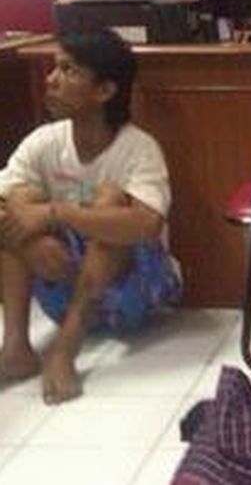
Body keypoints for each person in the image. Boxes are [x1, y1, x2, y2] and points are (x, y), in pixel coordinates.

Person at [0, 28, 181, 404]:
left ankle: (65, 349)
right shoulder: (44, 142)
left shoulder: (138, 147)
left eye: (68, 70)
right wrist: (31, 242)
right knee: (17, 202)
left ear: (104, 91)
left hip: (136, 292)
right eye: (55, 68)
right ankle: (16, 348)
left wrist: (56, 212)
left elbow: (148, 224)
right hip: (64, 285)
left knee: (110, 200)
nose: (51, 80)